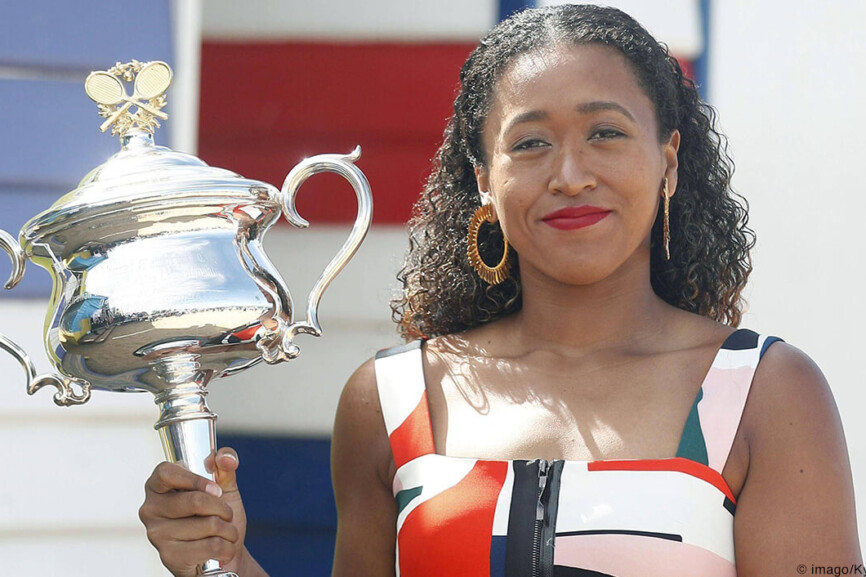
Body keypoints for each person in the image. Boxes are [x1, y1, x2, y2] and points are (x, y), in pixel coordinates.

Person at [138, 5, 862, 576]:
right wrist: (225, 560)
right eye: (530, 142)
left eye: (606, 133)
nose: (570, 175)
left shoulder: (765, 392)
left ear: (668, 159)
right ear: (484, 177)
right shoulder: (391, 400)